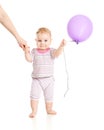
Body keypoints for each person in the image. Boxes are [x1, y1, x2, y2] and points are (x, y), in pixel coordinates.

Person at [24, 27, 66, 118]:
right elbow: (29, 59)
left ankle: (49, 109)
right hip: (37, 80)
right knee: (34, 96)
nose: (42, 43)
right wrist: (26, 52)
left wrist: (61, 46)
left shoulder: (51, 51)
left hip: (49, 79)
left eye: (45, 40)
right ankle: (33, 111)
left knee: (49, 96)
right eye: (39, 40)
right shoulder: (34, 51)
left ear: (50, 41)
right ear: (36, 41)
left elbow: (57, 54)